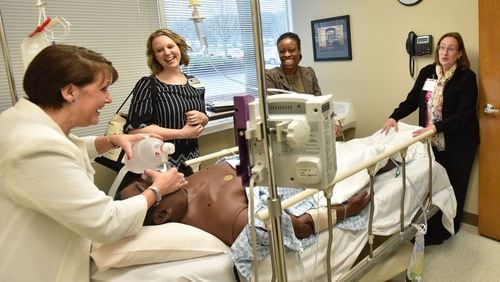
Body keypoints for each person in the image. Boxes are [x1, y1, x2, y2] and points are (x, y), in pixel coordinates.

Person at [0, 44, 188, 282]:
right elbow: (108, 223)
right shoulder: (35, 146)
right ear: (70, 92)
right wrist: (158, 190)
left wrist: (112, 140)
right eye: (103, 89)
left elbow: (68, 147)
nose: (108, 99)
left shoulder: (19, 122)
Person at [119, 161, 370, 246]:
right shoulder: (224, 218)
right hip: (309, 179)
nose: (152, 176)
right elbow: (299, 226)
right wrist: (347, 209)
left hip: (286, 163)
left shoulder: (183, 186)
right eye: (148, 187)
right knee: (373, 162)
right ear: (161, 214)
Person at [381, 32, 479, 245]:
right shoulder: (427, 73)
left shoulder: (466, 77)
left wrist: (436, 127)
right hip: (431, 140)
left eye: (451, 48)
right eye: (442, 47)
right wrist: (394, 116)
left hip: (459, 143)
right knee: (433, 185)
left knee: (454, 186)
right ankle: (430, 227)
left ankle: (448, 230)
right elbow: (412, 100)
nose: (445, 52)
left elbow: (465, 114)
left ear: (459, 54)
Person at [124, 28, 208, 176]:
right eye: (159, 50)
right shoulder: (148, 85)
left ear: (179, 48)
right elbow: (135, 130)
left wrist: (204, 118)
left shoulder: (195, 81)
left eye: (170, 46)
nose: (167, 53)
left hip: (192, 160)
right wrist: (182, 134)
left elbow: (203, 116)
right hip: (160, 164)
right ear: (154, 56)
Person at [265, 32, 342, 136]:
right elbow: (273, 113)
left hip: (312, 132)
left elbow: (321, 103)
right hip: (286, 134)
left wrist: (334, 122)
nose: (287, 55)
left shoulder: (309, 73)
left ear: (299, 51)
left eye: (291, 50)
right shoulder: (271, 76)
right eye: (282, 51)